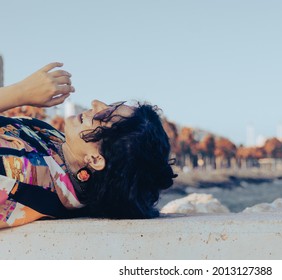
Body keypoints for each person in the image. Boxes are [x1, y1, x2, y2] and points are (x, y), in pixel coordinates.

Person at [0, 63, 176, 228]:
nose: (96, 103)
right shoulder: (61, 154)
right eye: (109, 106)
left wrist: (20, 92)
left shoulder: (24, 175)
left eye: (105, 116)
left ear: (95, 159)